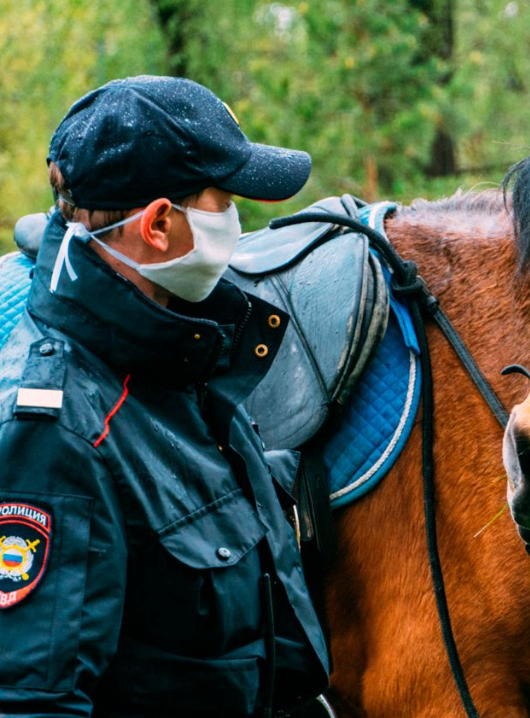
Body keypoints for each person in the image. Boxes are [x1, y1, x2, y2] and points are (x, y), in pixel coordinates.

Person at [0, 76, 331, 717]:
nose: (237, 222)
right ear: (157, 224)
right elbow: (32, 704)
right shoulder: (59, 431)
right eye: (224, 201)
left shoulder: (173, 363)